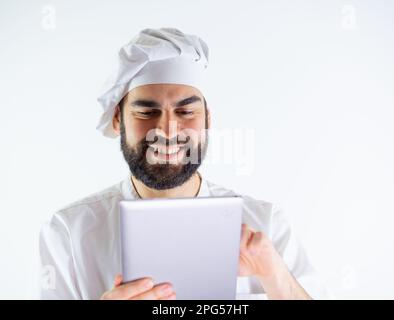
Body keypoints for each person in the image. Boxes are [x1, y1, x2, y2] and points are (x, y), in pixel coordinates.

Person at [39, 27, 328, 300]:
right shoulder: (68, 233)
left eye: (186, 111)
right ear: (118, 119)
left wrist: (274, 275)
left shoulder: (266, 225)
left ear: (208, 119)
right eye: (147, 112)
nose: (167, 130)